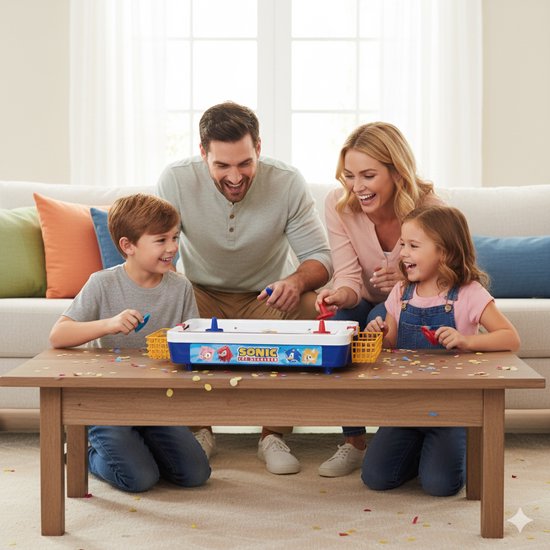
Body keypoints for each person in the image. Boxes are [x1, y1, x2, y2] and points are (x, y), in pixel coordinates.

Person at [157, 101, 332, 475]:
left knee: (309, 305)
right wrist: (170, 282)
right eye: (222, 165)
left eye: (245, 163)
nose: (235, 177)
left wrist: (294, 281)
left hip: (267, 297)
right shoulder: (175, 179)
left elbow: (320, 258)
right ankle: (199, 430)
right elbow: (158, 251)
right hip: (200, 295)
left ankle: (273, 434)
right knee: (168, 299)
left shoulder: (287, 182)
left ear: (259, 148)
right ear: (203, 153)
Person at [49, 193, 211, 493]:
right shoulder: (102, 283)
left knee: (195, 474)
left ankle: (138, 447)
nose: (172, 247)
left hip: (156, 402)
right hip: (107, 402)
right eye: (161, 240)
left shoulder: (180, 287)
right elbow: (58, 335)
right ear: (128, 246)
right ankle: (84, 453)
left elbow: (193, 341)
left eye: (175, 237)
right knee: (139, 479)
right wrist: (109, 324)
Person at [362, 204, 520, 496]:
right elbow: (392, 341)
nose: (403, 253)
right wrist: (379, 334)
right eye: (402, 245)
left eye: (413, 246)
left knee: (440, 485)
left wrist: (467, 341)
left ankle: (451, 452)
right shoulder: (401, 292)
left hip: (451, 410)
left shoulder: (469, 293)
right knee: (376, 477)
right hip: (406, 407)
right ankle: (422, 453)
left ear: (444, 252)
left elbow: (511, 337)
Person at [316, 122, 443, 478]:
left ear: (396, 172)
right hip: (363, 297)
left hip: (412, 302)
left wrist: (404, 282)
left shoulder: (429, 208)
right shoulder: (339, 205)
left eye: (368, 175)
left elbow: (447, 280)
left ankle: (400, 432)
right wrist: (337, 294)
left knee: (378, 319)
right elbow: (348, 277)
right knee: (341, 324)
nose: (357, 187)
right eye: (349, 175)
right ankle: (353, 441)